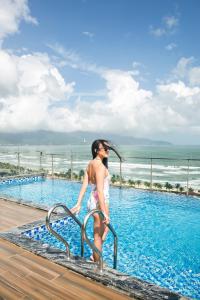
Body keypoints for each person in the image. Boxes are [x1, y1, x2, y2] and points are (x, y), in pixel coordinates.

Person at [71, 139, 121, 262]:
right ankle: (97, 262)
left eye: (108, 148)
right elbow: (100, 191)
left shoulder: (90, 164)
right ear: (96, 150)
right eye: (105, 149)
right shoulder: (100, 166)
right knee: (98, 236)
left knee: (104, 232)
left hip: (92, 201)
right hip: (100, 202)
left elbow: (84, 186)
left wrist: (79, 203)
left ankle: (95, 254)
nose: (107, 150)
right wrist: (104, 211)